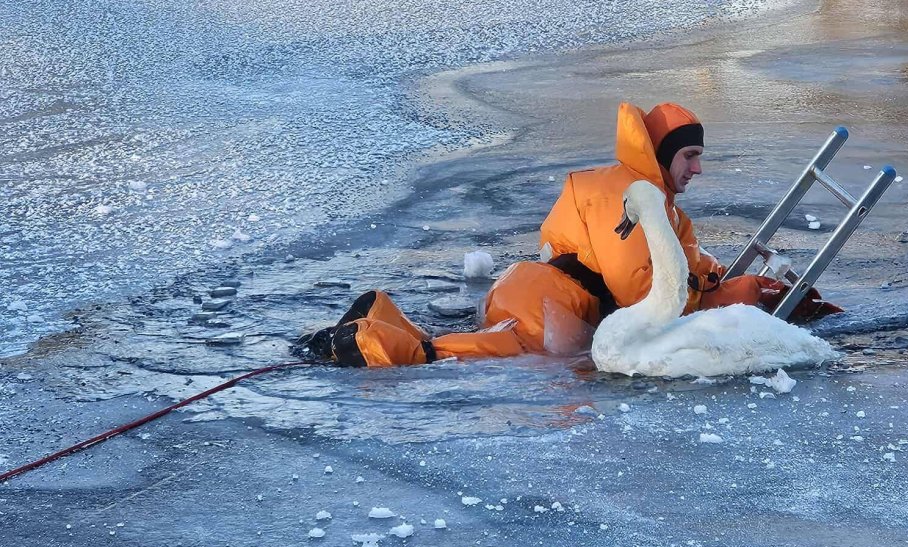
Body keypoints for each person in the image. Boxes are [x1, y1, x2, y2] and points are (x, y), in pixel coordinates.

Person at [298, 102, 835, 367]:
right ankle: (367, 341)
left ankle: (383, 311)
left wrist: (720, 279)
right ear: (666, 154)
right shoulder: (628, 195)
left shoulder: (650, 199)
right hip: (552, 308)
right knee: (468, 355)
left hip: (532, 288)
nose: (697, 169)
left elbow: (684, 258)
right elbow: (642, 294)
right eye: (691, 156)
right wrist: (730, 298)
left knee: (495, 336)